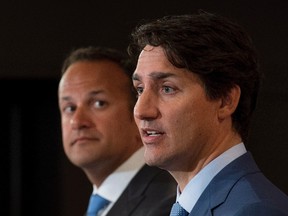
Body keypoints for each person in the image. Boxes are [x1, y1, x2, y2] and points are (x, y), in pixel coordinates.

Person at [128, 11, 288, 215]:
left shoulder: (254, 210)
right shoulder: (188, 206)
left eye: (167, 88)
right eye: (140, 89)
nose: (142, 110)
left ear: (225, 101)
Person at [58, 46, 176, 216]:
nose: (77, 121)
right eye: (69, 108)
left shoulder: (167, 203)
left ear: (137, 111)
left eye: (99, 103)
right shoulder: (102, 204)